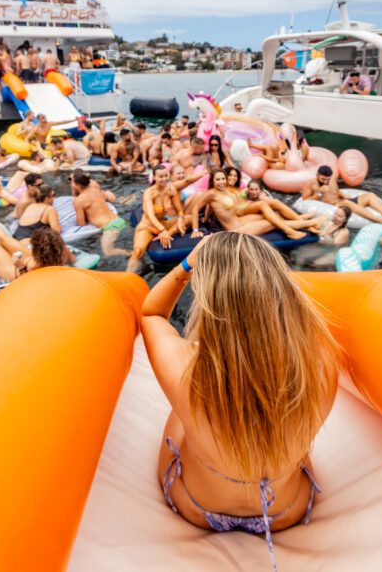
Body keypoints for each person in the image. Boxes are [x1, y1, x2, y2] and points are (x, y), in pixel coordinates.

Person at [142, 232, 337, 570]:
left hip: (197, 508)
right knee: (288, 425)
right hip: (283, 513)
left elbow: (152, 314)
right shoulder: (320, 367)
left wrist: (188, 263)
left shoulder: (186, 371)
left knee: (181, 413)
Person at [191, 169, 319, 240]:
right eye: (218, 179)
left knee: (273, 217)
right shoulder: (211, 194)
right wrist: (196, 230)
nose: (221, 182)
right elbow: (196, 208)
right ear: (212, 181)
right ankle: (298, 228)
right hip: (235, 229)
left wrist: (207, 217)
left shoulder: (225, 190)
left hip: (240, 220)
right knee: (271, 223)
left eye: (223, 178)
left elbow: (215, 208)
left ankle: (308, 225)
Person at [0, 211, 75, 280]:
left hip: (12, 272)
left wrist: (19, 266)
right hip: (43, 260)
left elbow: (23, 283)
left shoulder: (33, 265)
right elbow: (73, 260)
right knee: (4, 239)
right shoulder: (64, 252)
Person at [304, 166, 382, 228]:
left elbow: (335, 191)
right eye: (323, 179)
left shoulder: (331, 179)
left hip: (343, 199)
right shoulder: (309, 184)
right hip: (335, 205)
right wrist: (319, 194)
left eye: (328, 179)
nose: (326, 182)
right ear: (317, 175)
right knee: (347, 204)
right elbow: (305, 200)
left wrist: (342, 194)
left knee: (370, 195)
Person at [127, 165, 187, 272]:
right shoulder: (149, 193)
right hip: (148, 227)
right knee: (137, 251)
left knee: (189, 219)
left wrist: (181, 218)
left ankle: (168, 233)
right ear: (154, 177)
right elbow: (150, 214)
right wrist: (163, 231)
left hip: (163, 224)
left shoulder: (171, 189)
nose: (164, 179)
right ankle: (127, 277)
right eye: (161, 176)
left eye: (166, 176)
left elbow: (179, 210)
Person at [70, 170, 129, 256]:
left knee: (108, 252)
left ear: (77, 185)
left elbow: (81, 223)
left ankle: (131, 254)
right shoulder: (96, 190)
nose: (71, 184)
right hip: (119, 220)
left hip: (110, 227)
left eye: (72, 182)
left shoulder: (79, 201)